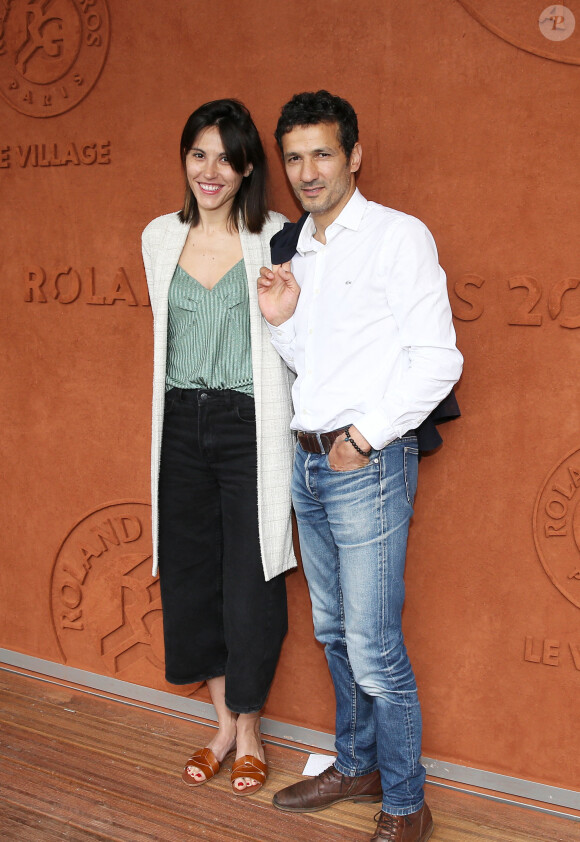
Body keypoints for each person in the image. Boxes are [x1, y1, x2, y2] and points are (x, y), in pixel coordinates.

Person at [258, 90, 463, 841]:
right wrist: (282, 323)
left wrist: (365, 439)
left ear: (354, 156)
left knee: (374, 650)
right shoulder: (297, 248)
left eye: (322, 153)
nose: (307, 171)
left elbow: (438, 359)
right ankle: (356, 764)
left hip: (365, 465)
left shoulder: (397, 237)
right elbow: (315, 365)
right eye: (294, 157)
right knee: (334, 632)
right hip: (309, 461)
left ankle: (406, 804)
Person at [141, 99, 296, 796]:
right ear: (185, 160)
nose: (211, 171)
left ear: (247, 169)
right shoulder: (158, 238)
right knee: (191, 575)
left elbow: (294, 338)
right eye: (199, 154)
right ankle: (223, 727)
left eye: (227, 159)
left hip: (248, 424)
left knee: (253, 577)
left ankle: (250, 730)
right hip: (179, 424)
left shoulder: (278, 237)